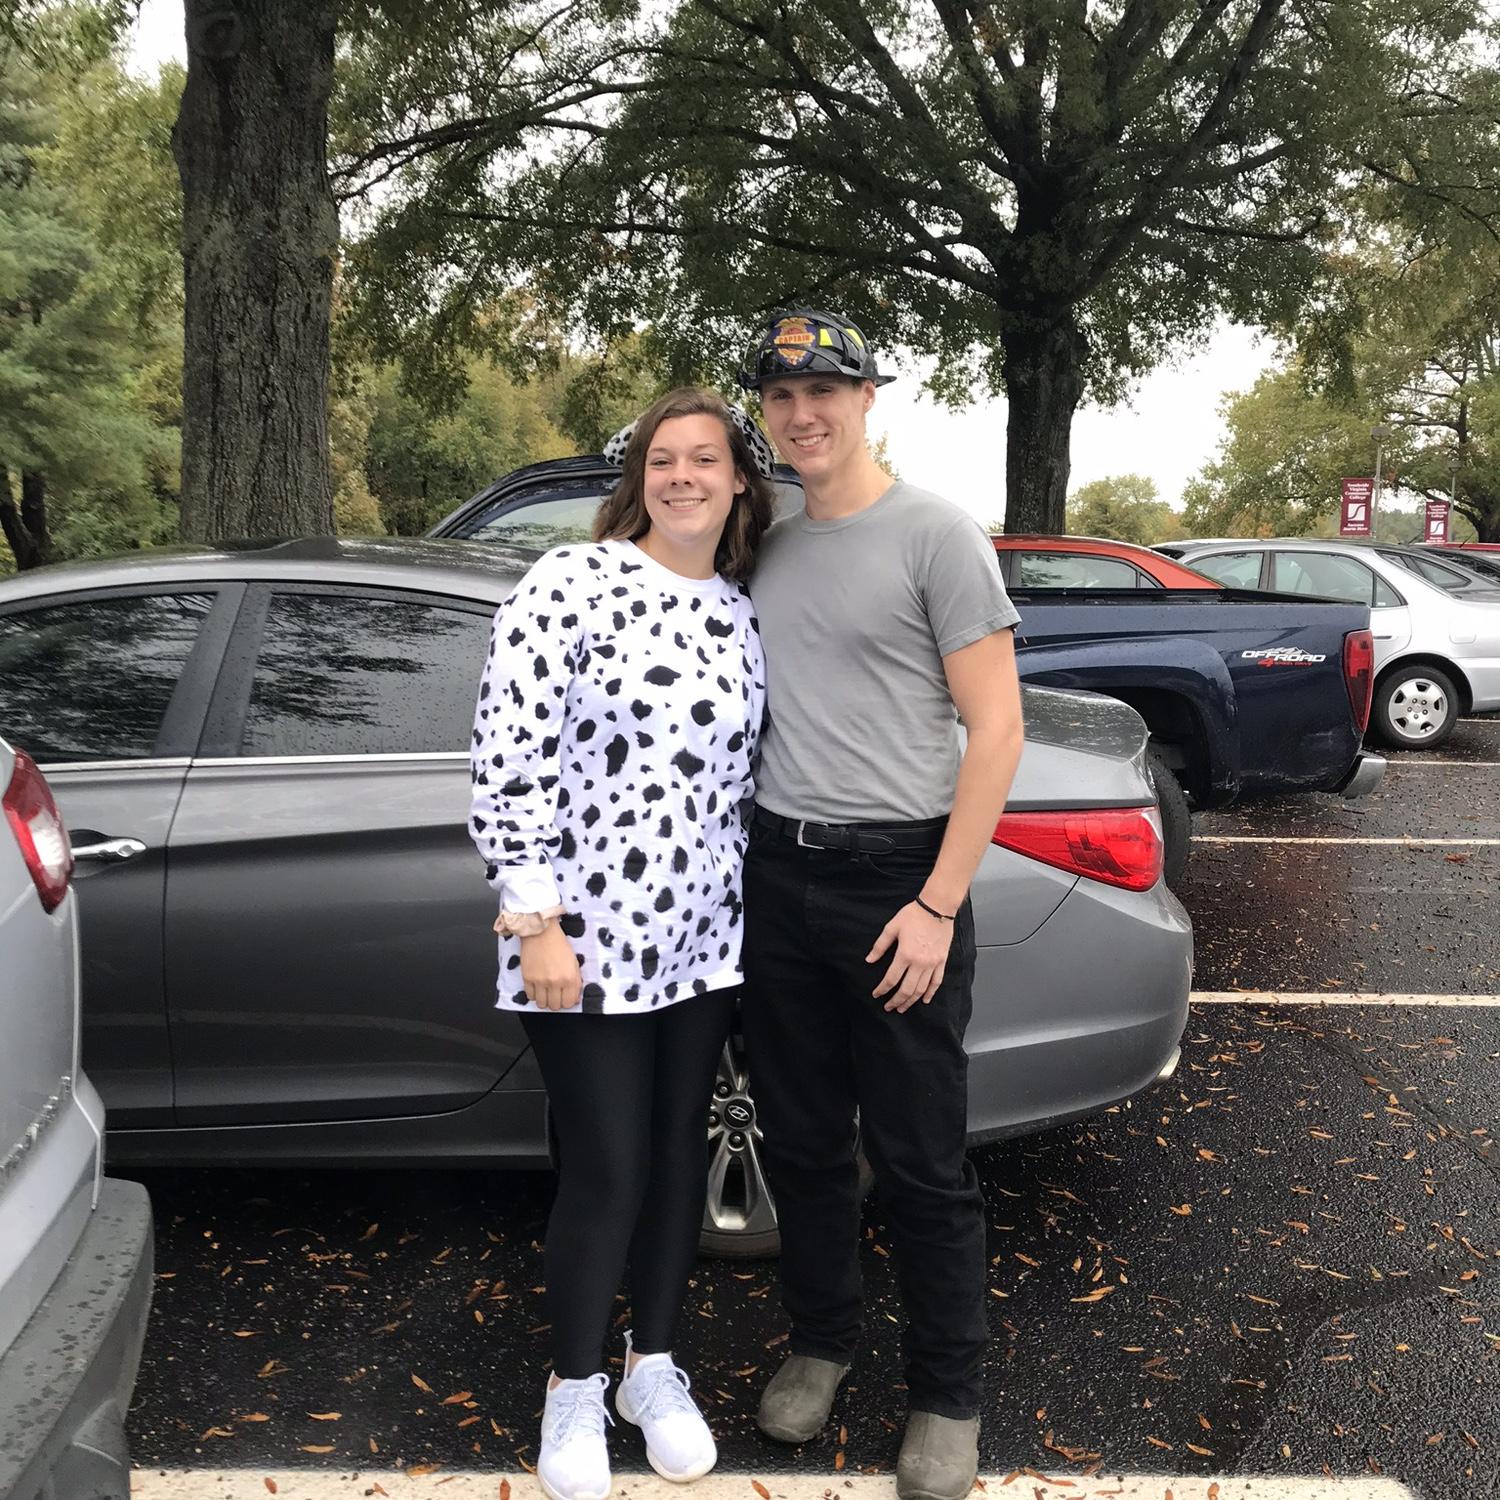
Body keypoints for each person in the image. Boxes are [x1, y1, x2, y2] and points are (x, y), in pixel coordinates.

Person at [734, 309, 1025, 1500]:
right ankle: (822, 1341)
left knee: (919, 1161)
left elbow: (996, 727)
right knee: (800, 1144)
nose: (804, 414)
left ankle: (947, 1395)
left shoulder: (936, 535)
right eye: (781, 397)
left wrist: (939, 902)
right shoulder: (769, 540)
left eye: (826, 391)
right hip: (776, 877)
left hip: (896, 881)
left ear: (868, 399)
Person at [468, 388, 776, 1500]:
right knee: (604, 1169)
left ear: (740, 480)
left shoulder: (741, 610)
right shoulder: (573, 581)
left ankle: (654, 1366)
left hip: (700, 941)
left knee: (677, 1160)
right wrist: (535, 916)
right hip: (584, 937)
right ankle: (572, 1389)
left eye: (706, 460)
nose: (683, 477)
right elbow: (510, 755)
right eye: (663, 460)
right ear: (636, 478)